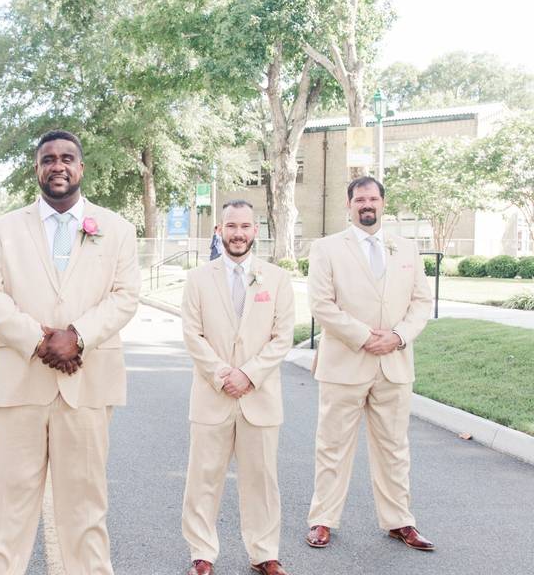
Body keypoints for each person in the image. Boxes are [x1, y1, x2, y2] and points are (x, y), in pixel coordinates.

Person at [0, 130, 140, 574]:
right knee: (7, 506)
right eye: (48, 159)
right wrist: (39, 340)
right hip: (20, 385)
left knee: (86, 507)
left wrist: (78, 335)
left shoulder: (118, 229)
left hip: (87, 385)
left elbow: (125, 297)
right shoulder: (3, 230)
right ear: (37, 169)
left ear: (81, 168)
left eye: (67, 158)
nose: (58, 166)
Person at [305, 176, 435, 552]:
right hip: (344, 363)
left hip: (394, 363)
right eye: (360, 199)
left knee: (395, 447)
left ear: (383, 203)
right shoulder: (327, 248)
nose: (367, 204)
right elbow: (322, 305)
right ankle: (323, 520)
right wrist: (365, 337)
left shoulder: (406, 248)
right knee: (332, 446)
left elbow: (421, 302)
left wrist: (398, 336)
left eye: (373, 199)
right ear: (349, 205)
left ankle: (400, 521)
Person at [180, 200, 295, 575]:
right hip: (212, 396)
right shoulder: (198, 279)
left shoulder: (276, 279)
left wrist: (249, 374)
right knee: (203, 478)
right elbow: (192, 335)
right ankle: (202, 553)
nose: (238, 233)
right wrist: (222, 375)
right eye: (231, 226)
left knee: (261, 480)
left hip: (258, 396)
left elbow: (282, 338)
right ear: (219, 230)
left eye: (245, 226)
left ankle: (264, 553)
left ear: (255, 231)